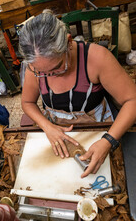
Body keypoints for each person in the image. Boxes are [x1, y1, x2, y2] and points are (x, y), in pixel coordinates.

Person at [19, 9, 136, 178]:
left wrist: (108, 140)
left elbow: (132, 100)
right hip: (55, 128)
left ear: (68, 41)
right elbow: (27, 103)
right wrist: (47, 126)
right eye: (41, 72)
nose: (49, 75)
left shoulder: (98, 58)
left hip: (97, 126)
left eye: (56, 67)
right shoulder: (36, 65)